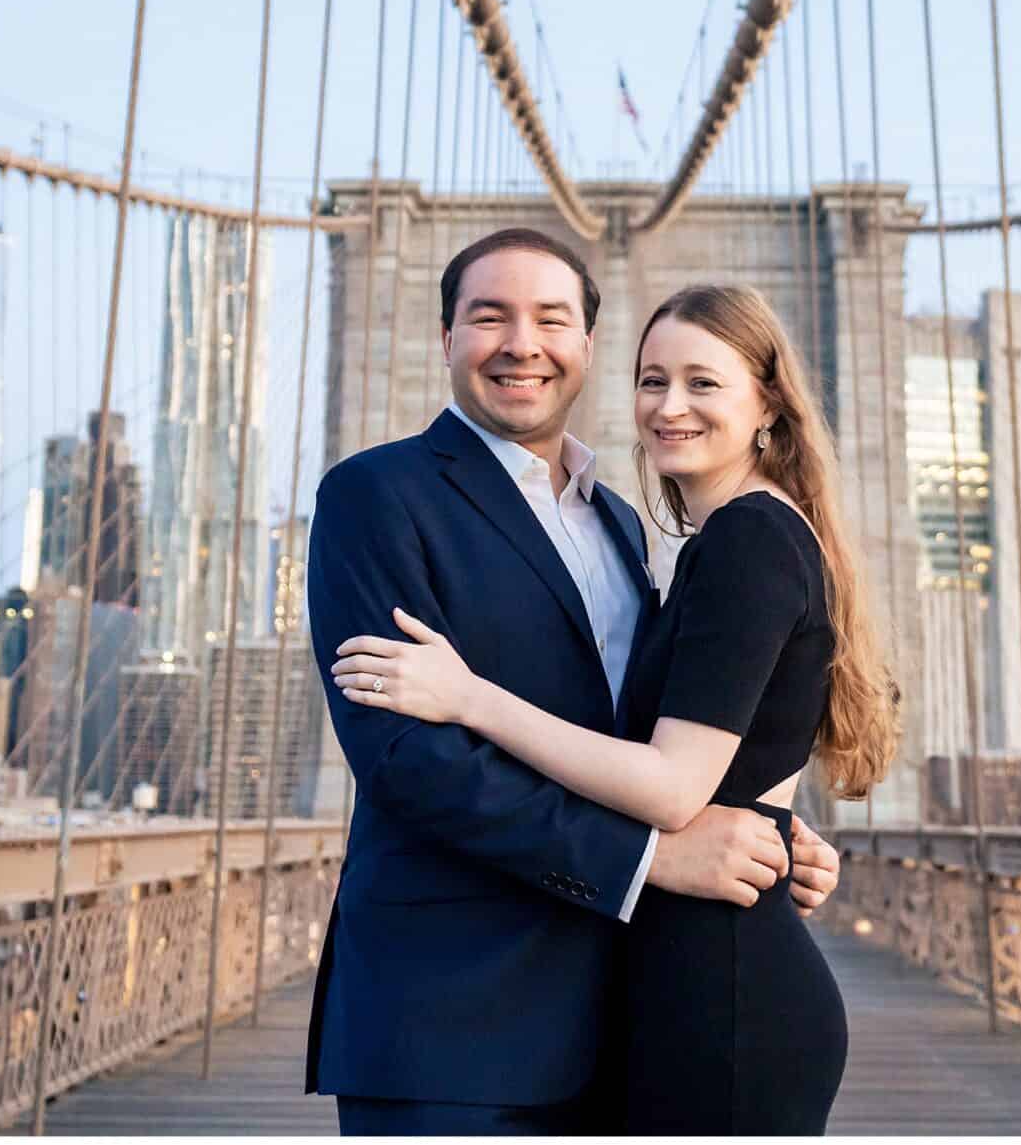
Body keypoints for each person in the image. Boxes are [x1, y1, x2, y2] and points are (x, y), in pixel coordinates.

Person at [303, 232, 847, 1136]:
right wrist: (652, 856)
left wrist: (764, 817)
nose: (523, 342)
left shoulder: (626, 527)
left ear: (588, 349)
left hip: (627, 1021)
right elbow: (408, 761)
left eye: (552, 319)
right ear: (447, 339)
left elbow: (652, 742)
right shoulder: (375, 496)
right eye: (490, 316)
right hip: (451, 1028)